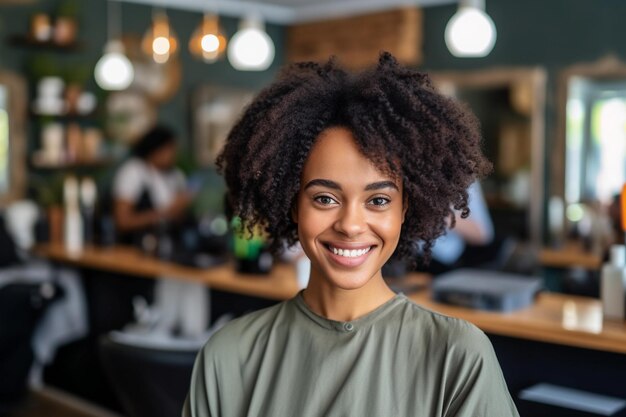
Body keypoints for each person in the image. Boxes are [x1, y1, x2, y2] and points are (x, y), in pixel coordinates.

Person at [183, 53, 519, 416]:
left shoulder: (459, 355)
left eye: (377, 200)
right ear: (294, 205)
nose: (351, 224)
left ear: (405, 208)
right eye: (325, 198)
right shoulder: (229, 355)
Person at [112, 125, 192, 244]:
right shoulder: (134, 172)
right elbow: (123, 221)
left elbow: (179, 217)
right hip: (135, 247)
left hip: (170, 243)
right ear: (155, 150)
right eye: (169, 149)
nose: (174, 154)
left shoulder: (176, 174)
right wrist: (163, 214)